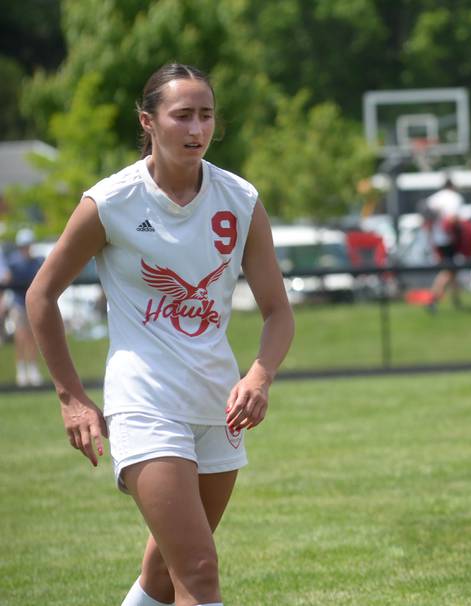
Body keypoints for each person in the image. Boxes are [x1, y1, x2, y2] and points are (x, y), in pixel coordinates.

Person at [26, 63, 295, 606]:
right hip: (144, 402)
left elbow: (277, 312)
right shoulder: (111, 201)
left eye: (207, 116)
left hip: (218, 404)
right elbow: (41, 297)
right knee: (198, 572)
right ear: (148, 122)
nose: (197, 129)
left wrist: (260, 375)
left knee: (160, 574)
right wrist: (72, 399)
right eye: (182, 116)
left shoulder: (240, 199)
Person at [7, 228, 44, 386]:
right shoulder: (13, 262)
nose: (26, 248)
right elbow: (7, 279)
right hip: (17, 304)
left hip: (31, 305)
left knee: (32, 338)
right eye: (23, 245)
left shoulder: (37, 262)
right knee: (20, 337)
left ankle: (32, 369)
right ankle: (21, 370)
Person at [425, 176, 465, 310]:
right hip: (450, 239)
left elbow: (427, 220)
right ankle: (433, 299)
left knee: (453, 271)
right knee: (448, 271)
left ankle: (456, 300)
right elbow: (453, 219)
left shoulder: (434, 199)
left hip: (437, 239)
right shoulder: (455, 198)